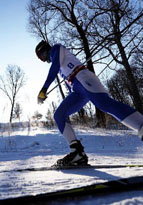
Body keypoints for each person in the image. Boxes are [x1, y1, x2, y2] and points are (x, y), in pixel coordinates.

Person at [35, 40, 143, 166]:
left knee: (105, 104)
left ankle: (141, 124)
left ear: (45, 50)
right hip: (77, 88)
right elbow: (60, 72)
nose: (44, 59)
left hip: (82, 77)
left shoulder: (56, 49)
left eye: (42, 57)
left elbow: (54, 67)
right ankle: (77, 153)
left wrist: (44, 89)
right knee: (59, 115)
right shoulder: (60, 67)